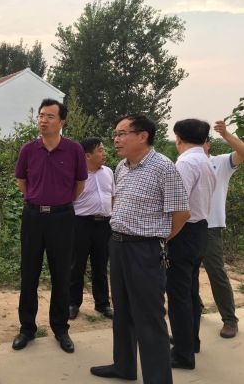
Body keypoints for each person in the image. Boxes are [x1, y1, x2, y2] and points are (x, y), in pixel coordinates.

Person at [90, 114, 190, 384]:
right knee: (122, 310)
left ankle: (157, 379)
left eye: (122, 134)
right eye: (115, 134)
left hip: (145, 250)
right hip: (118, 245)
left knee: (149, 316)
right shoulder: (121, 167)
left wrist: (159, 239)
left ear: (143, 136)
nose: (116, 140)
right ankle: (123, 366)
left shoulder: (163, 167)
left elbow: (182, 213)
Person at [12, 98, 87, 353]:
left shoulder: (74, 149)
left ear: (62, 121)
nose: (43, 120)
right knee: (29, 273)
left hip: (62, 218)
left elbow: (79, 184)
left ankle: (60, 328)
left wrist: (59, 202)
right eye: (41, 115)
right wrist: (37, 199)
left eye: (50, 116)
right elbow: (22, 181)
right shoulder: (28, 149)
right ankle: (27, 328)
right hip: (33, 217)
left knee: (61, 275)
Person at [166, 119, 216, 370]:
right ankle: (190, 340)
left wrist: (167, 235)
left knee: (178, 295)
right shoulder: (205, 160)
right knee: (190, 290)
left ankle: (182, 354)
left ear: (178, 138)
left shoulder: (185, 163)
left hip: (184, 231)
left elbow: (179, 205)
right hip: (200, 230)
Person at [202, 120, 244, 338]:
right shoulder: (181, 164)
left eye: (200, 142)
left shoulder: (220, 163)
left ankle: (229, 319)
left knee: (216, 273)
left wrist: (226, 134)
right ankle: (195, 307)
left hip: (210, 228)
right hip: (185, 226)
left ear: (208, 144)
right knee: (184, 271)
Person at [69, 138, 114, 320]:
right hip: (81, 223)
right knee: (76, 265)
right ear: (87, 155)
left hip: (104, 224)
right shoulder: (75, 174)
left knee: (101, 265)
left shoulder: (108, 172)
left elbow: (113, 196)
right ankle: (72, 303)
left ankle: (103, 304)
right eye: (100, 150)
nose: (104, 153)